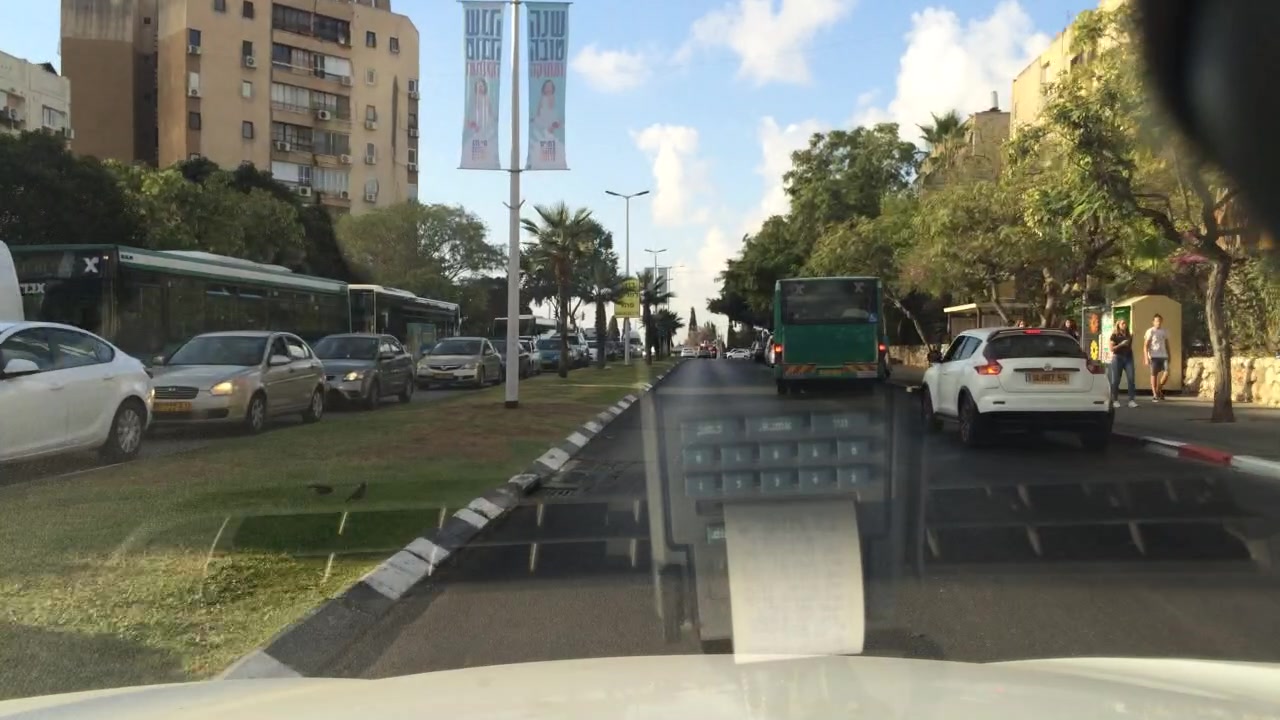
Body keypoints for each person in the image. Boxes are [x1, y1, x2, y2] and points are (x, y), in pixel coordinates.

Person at [1109, 317, 1137, 408]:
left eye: (1125, 323)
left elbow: (1129, 346)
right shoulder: (1114, 335)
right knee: (1116, 380)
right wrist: (1121, 344)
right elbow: (1111, 349)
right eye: (1122, 323)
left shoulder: (1129, 335)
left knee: (1131, 378)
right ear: (1118, 325)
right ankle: (1115, 400)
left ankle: (1131, 400)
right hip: (1118, 358)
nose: (1124, 325)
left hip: (1128, 357)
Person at [1143, 314, 1171, 402]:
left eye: (1159, 321)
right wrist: (1146, 358)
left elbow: (1167, 344)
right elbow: (1145, 346)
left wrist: (1169, 354)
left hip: (1164, 355)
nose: (1158, 322)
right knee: (1154, 375)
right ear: (1153, 322)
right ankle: (1155, 394)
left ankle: (1159, 389)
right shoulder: (1150, 331)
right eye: (1156, 321)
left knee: (1167, 373)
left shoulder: (1164, 331)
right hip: (1154, 356)